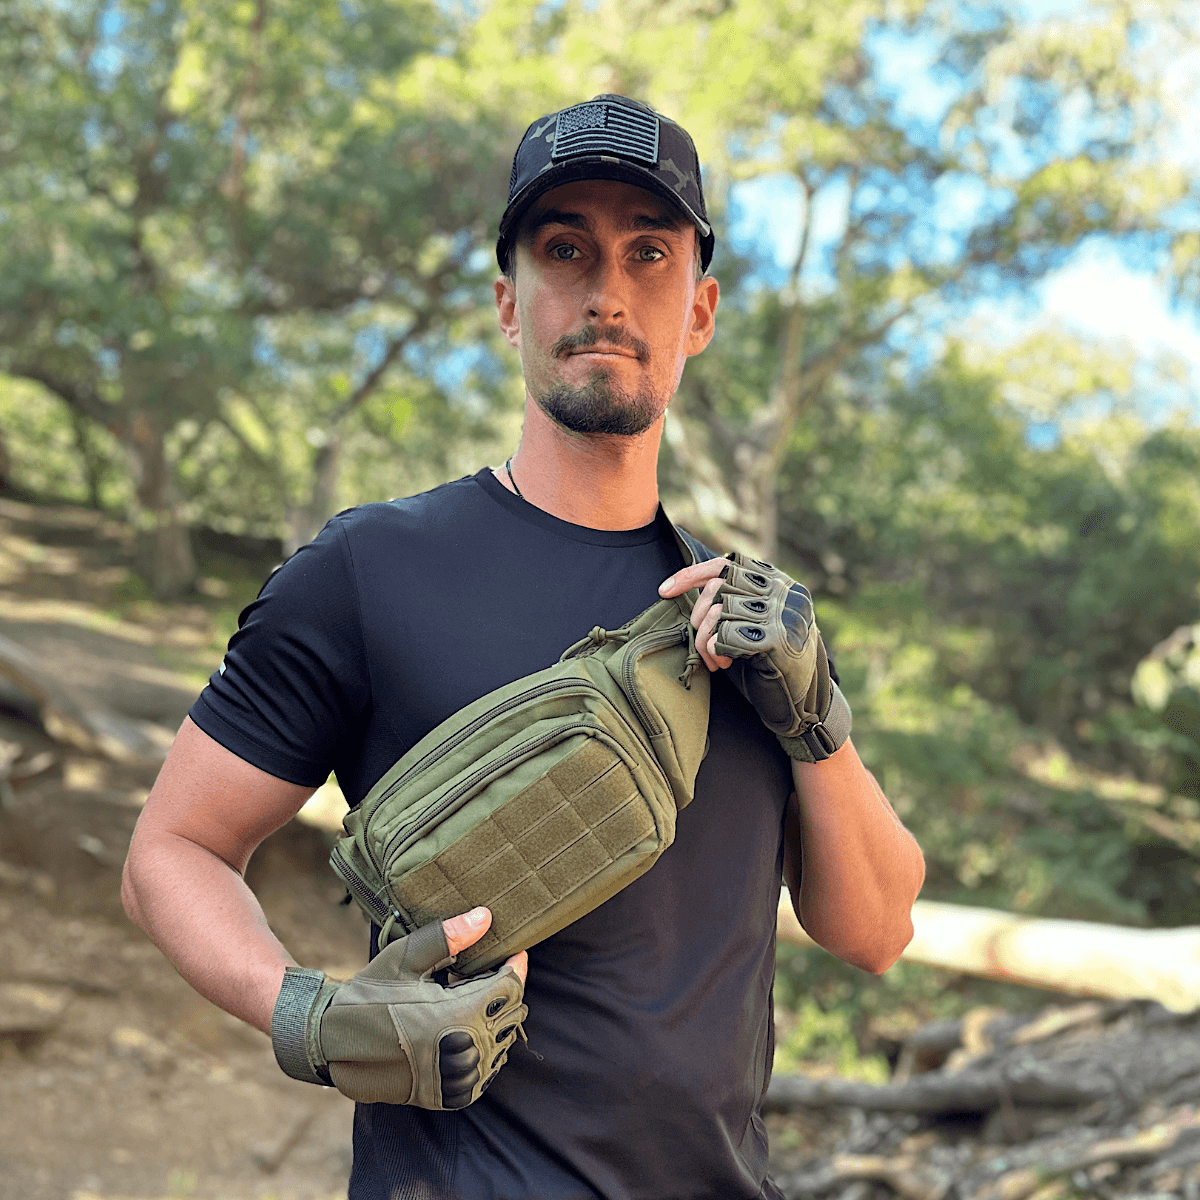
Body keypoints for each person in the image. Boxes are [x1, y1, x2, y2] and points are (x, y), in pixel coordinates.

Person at [122, 94, 925, 1200]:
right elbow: (171, 851)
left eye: (650, 252)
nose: (605, 291)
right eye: (564, 250)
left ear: (700, 310)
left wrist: (817, 720)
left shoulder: (734, 620)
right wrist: (305, 1011)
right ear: (510, 304)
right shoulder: (369, 571)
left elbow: (877, 927)